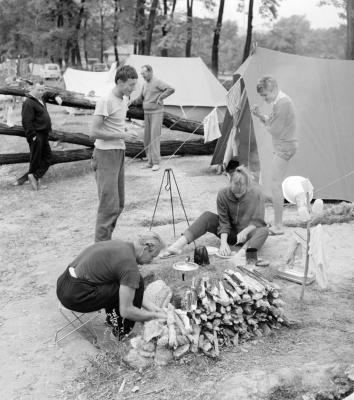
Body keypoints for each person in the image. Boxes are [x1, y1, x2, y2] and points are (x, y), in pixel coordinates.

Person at [56, 231, 166, 339]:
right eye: (152, 256)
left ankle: (112, 321)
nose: (151, 261)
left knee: (135, 282)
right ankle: (121, 333)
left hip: (64, 284)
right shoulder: (129, 266)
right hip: (76, 297)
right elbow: (126, 311)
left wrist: (153, 308)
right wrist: (153, 316)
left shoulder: (121, 246)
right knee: (133, 283)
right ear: (146, 248)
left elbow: (132, 290)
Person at [159, 165, 269, 258]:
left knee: (263, 230)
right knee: (207, 216)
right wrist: (223, 243)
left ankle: (242, 254)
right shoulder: (223, 194)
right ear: (230, 184)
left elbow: (258, 221)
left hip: (248, 236)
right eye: (235, 193)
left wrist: (245, 231)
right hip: (230, 233)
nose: (237, 196)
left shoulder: (256, 194)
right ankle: (177, 246)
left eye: (240, 194)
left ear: (247, 186)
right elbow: (224, 221)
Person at [89, 65, 138, 242]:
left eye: (134, 85)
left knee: (118, 205)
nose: (132, 89)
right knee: (108, 206)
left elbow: (115, 124)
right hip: (104, 154)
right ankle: (100, 250)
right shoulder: (105, 100)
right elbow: (94, 132)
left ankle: (105, 243)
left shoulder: (123, 100)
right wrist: (122, 135)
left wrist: (126, 129)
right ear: (119, 82)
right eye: (130, 85)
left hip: (118, 152)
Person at [251, 76, 298, 235]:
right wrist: (259, 116)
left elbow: (273, 129)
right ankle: (277, 223)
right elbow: (271, 121)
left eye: (265, 95)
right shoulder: (279, 102)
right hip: (282, 146)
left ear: (273, 89)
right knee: (274, 183)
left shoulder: (283, 103)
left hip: (285, 147)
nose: (264, 99)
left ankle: (279, 226)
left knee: (275, 184)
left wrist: (266, 123)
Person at [129, 65, 175, 171]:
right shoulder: (145, 84)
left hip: (156, 113)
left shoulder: (157, 81)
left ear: (150, 72)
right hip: (147, 113)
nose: (142, 75)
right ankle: (149, 161)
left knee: (154, 138)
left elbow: (171, 89)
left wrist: (161, 97)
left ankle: (156, 162)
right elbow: (141, 98)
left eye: (143, 73)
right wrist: (131, 102)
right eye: (141, 74)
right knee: (147, 139)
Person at [21, 81, 53, 190]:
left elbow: (49, 94)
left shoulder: (41, 99)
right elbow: (26, 121)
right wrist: (32, 136)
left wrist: (56, 96)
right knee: (36, 158)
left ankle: (35, 176)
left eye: (42, 90)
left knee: (48, 157)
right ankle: (33, 175)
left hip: (44, 134)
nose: (41, 92)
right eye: (38, 89)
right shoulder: (29, 102)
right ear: (32, 89)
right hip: (36, 135)